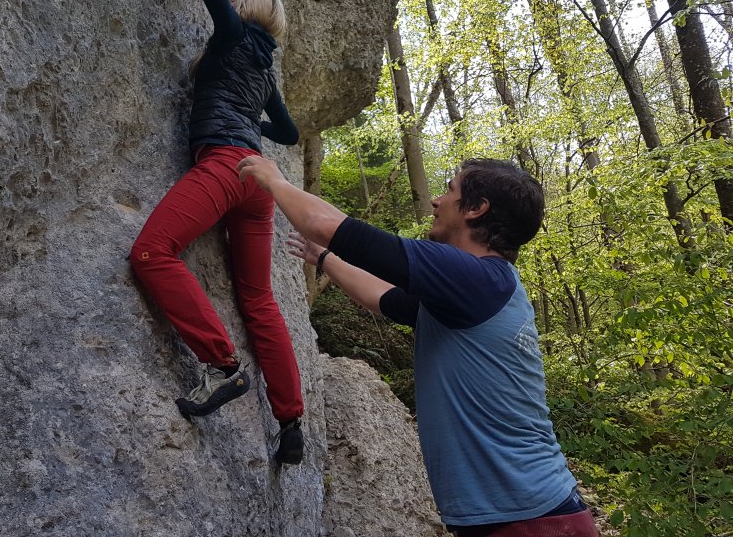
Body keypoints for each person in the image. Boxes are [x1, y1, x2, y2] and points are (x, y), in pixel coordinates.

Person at [236, 155, 599, 535]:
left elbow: (325, 225)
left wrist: (275, 180)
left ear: (476, 209)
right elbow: (382, 298)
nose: (436, 201)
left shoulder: (474, 278)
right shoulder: (475, 290)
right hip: (521, 513)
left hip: (533, 519)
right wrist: (324, 258)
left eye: (449, 190)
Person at [129, 0, 305, 465]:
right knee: (259, 299)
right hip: (258, 180)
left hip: (226, 164)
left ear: (243, 10)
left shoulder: (231, 38)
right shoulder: (264, 71)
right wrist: (249, 116)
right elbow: (289, 135)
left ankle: (223, 365)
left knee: (152, 252)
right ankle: (291, 423)